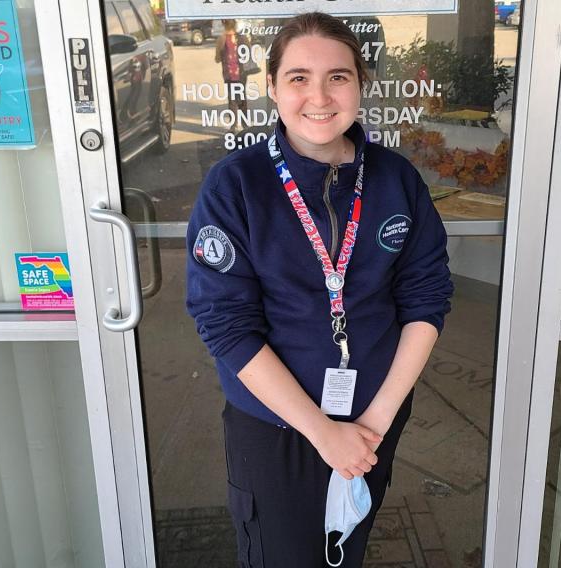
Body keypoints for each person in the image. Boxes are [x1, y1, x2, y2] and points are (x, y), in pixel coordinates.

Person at [187, 12, 453, 567]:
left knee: (345, 548)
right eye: (298, 77)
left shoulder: (395, 177)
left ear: (361, 84)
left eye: (338, 76)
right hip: (275, 425)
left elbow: (426, 298)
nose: (319, 96)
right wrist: (322, 434)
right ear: (273, 88)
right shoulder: (236, 185)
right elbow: (226, 325)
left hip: (374, 419)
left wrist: (374, 423)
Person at [215, 18, 249, 133]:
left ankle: (233, 126)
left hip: (229, 74)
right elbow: (248, 54)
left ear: (223, 24)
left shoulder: (221, 39)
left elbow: (217, 59)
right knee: (242, 98)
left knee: (232, 100)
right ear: (235, 25)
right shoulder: (242, 38)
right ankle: (245, 125)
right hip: (242, 73)